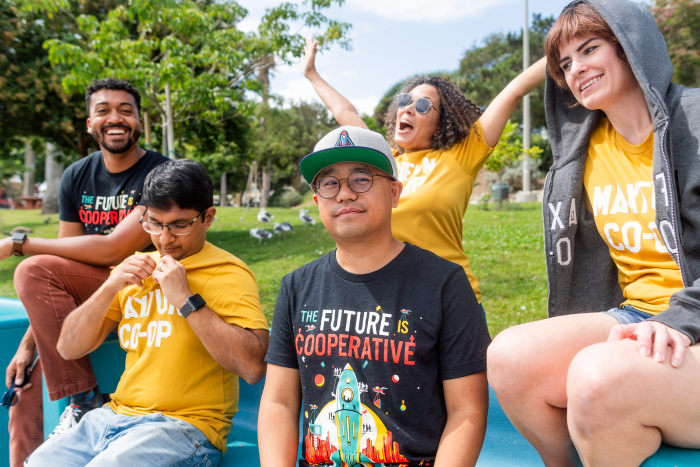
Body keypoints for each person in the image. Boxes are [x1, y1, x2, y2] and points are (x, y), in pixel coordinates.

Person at [487, 1, 700, 466]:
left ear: (630, 47)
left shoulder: (696, 122)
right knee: (510, 357)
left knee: (594, 375)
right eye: (565, 63)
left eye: (590, 49)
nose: (577, 68)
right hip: (638, 317)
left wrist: (681, 321)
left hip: (694, 324)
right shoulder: (580, 157)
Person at [258, 126, 491, 466]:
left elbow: (467, 410)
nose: (344, 195)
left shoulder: (445, 284)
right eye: (329, 183)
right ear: (316, 201)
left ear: (395, 193)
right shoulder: (296, 287)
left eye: (361, 179)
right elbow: (279, 402)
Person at [24, 159, 270, 467]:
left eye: (180, 225)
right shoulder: (135, 268)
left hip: (186, 428)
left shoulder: (228, 273)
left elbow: (253, 367)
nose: (165, 239)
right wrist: (109, 287)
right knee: (38, 463)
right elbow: (68, 347)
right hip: (112, 417)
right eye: (154, 223)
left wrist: (186, 299)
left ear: (208, 217)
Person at [301, 37, 546, 308]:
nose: (408, 107)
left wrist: (565, 49)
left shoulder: (463, 154)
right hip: (390, 301)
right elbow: (345, 111)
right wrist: (311, 74)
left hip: (450, 300)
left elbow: (514, 90)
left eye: (422, 105)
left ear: (441, 122)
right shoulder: (384, 159)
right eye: (405, 100)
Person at [4, 78, 168, 466]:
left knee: (30, 268)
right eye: (104, 110)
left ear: (140, 122)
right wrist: (27, 346)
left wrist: (16, 243)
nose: (116, 118)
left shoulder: (160, 173)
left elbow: (114, 247)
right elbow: (63, 264)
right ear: (89, 123)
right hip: (95, 295)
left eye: (126, 110)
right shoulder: (77, 175)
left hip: (143, 290)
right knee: (25, 389)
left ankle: (84, 398)